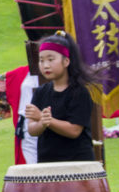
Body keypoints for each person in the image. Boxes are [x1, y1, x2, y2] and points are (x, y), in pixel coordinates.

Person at [25, 31, 100, 163]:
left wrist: (46, 119)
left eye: (51, 59)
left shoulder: (79, 92)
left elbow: (74, 131)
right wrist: (42, 122)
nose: (45, 65)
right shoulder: (40, 92)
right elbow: (32, 130)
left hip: (78, 164)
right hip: (47, 163)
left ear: (66, 61)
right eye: (41, 60)